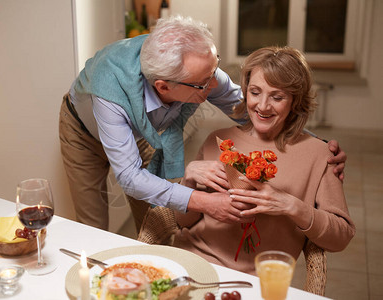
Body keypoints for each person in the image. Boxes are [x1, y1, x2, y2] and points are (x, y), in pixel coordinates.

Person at [59, 16, 347, 232]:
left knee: (156, 216)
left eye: (215, 70)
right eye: (203, 83)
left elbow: (252, 110)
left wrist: (315, 145)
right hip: (84, 134)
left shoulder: (196, 69)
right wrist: (203, 201)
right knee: (92, 224)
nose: (215, 85)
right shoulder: (109, 91)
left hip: (140, 130)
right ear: (163, 86)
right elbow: (130, 178)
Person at [172, 46, 355, 274]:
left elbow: (340, 238)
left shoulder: (321, 155)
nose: (263, 106)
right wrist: (188, 182)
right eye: (255, 92)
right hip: (190, 262)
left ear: (295, 101)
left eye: (277, 97)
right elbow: (183, 223)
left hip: (258, 281)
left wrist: (291, 205)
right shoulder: (216, 141)